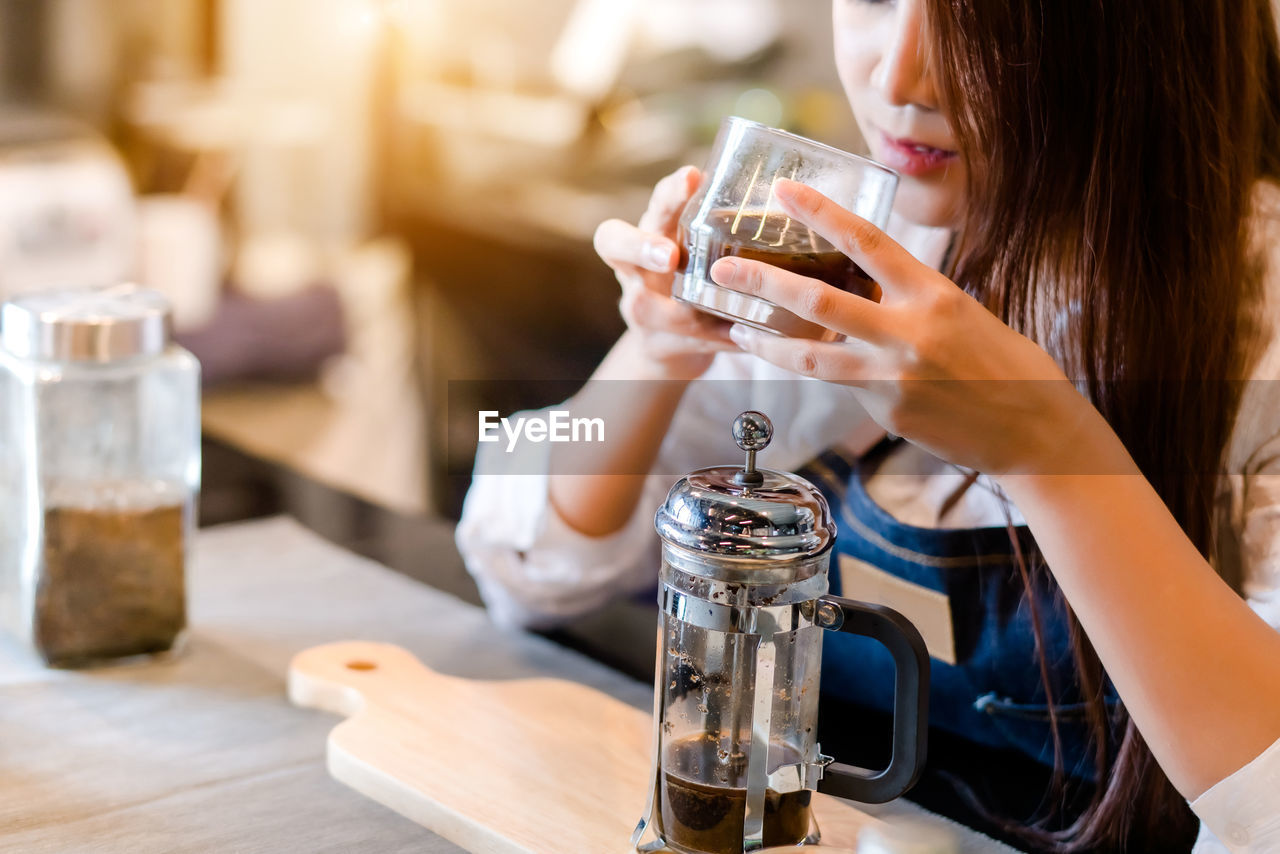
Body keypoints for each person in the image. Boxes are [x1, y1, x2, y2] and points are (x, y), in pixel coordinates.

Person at [456, 1, 1280, 851]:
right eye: (877, 1)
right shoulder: (852, 242)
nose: (899, 78)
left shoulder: (1260, 318)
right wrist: (653, 352)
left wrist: (1053, 455)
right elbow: (522, 565)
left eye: (983, 24)